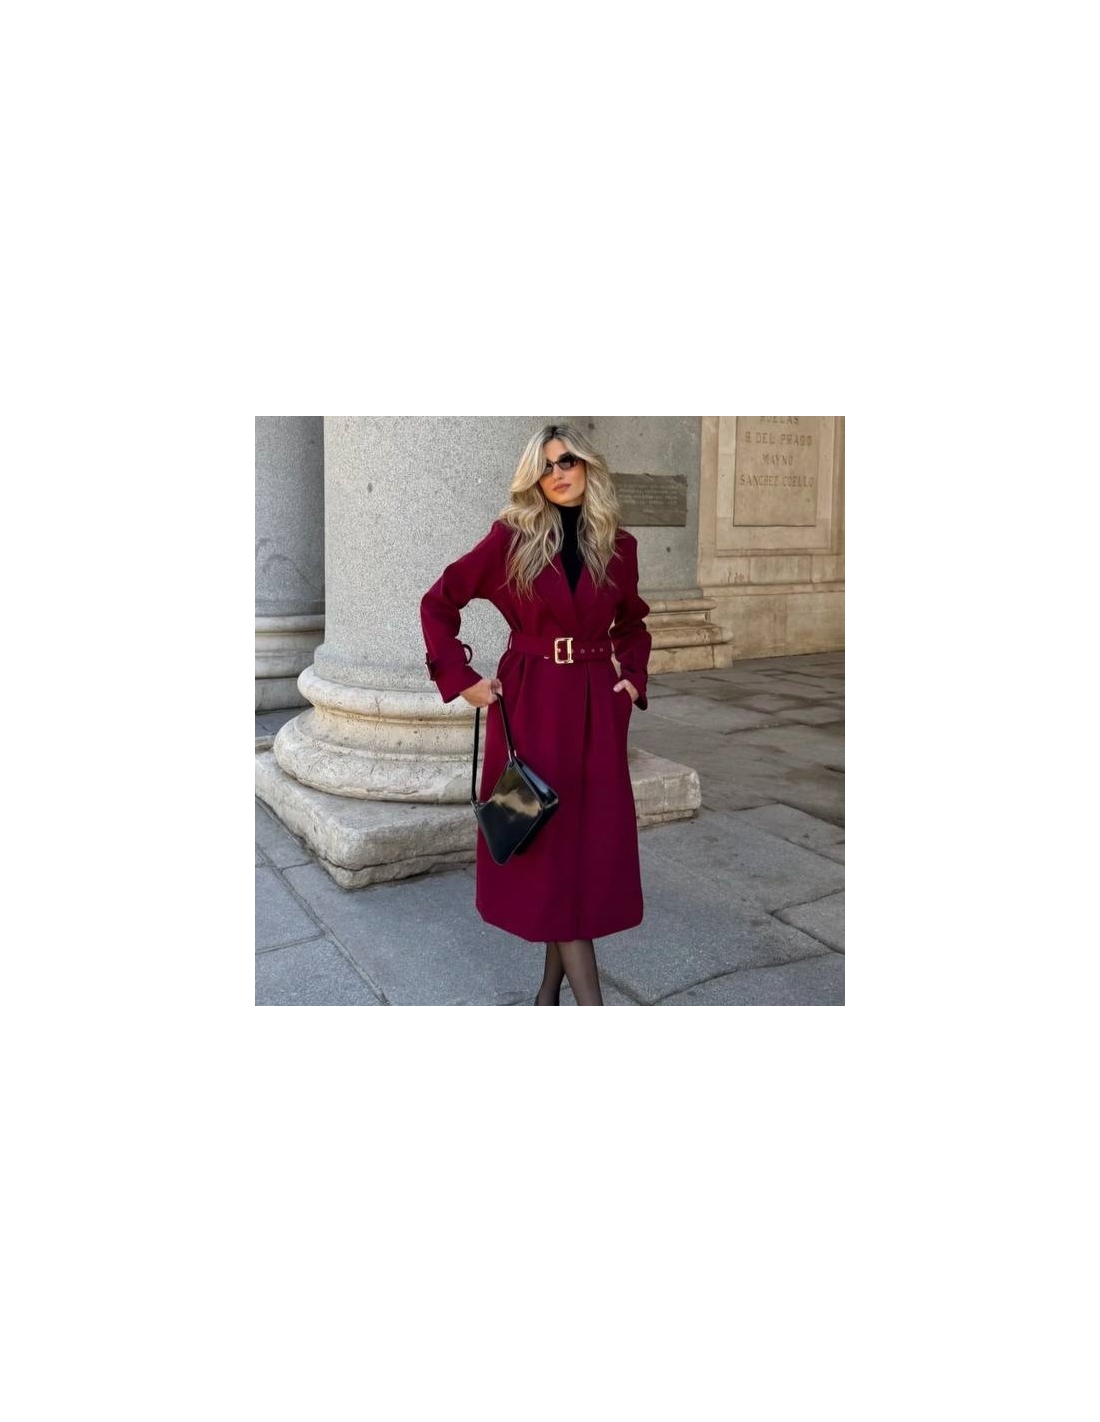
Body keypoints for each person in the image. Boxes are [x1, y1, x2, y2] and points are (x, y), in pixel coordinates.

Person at [420, 424, 652, 1006]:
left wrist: (631, 680)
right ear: (534, 477)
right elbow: (439, 602)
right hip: (533, 705)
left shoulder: (618, 546)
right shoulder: (510, 540)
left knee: (580, 857)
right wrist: (461, 679)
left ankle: (547, 994)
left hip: (597, 709)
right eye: (546, 466)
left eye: (567, 460)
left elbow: (632, 624)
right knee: (550, 849)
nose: (558, 473)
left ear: (587, 466)